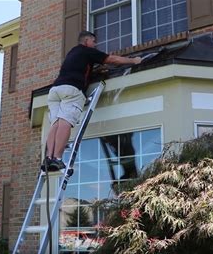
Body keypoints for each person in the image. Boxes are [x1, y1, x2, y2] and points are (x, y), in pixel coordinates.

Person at [44, 31, 142, 171]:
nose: (95, 45)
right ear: (86, 41)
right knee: (65, 121)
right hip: (72, 90)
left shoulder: (73, 53)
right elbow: (111, 59)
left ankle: (49, 158)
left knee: (55, 123)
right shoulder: (87, 51)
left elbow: (82, 68)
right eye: (93, 41)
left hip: (55, 91)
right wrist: (133, 60)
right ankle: (57, 159)